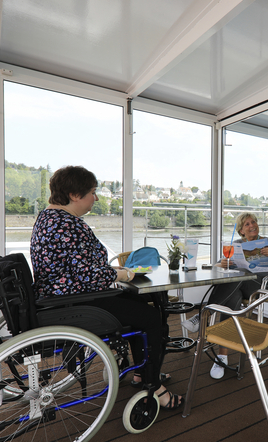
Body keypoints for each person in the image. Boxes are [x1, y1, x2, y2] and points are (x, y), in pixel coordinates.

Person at [30, 165, 183, 410]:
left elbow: (77, 268)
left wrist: (112, 271)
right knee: (152, 317)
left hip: (59, 297)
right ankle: (154, 385)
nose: (96, 198)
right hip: (77, 302)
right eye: (92, 192)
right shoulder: (68, 225)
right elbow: (89, 275)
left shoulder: (47, 219)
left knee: (139, 305)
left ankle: (143, 372)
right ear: (74, 195)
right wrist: (122, 273)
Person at [182, 212, 268, 379]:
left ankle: (203, 314)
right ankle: (222, 357)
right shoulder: (236, 245)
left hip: (259, 286)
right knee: (232, 298)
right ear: (241, 231)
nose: (252, 225)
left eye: (253, 222)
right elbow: (216, 266)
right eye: (247, 224)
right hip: (238, 287)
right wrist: (222, 263)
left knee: (237, 276)